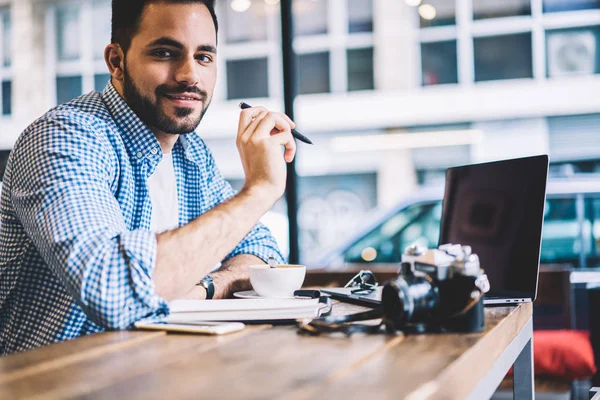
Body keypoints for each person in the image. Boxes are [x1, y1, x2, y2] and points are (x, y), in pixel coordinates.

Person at [0, 0, 297, 355]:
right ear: (116, 61)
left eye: (204, 57)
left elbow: (261, 252)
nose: (190, 74)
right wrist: (259, 191)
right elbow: (114, 291)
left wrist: (201, 285)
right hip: (55, 385)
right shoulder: (65, 136)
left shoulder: (192, 153)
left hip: (158, 373)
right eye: (165, 53)